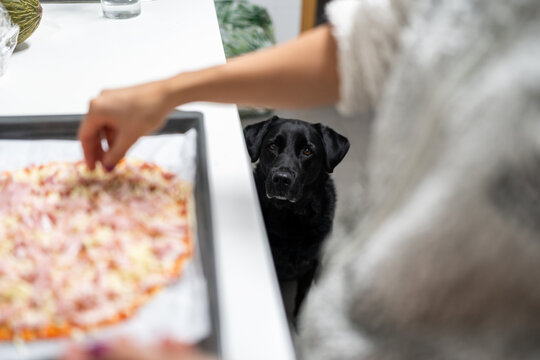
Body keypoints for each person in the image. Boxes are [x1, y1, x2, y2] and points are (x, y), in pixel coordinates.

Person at [67, 0, 540, 359]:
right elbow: (365, 45)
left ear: (324, 161)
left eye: (304, 155)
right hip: (349, 305)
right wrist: (169, 92)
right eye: (273, 152)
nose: (285, 167)